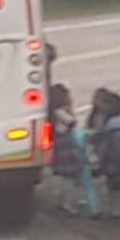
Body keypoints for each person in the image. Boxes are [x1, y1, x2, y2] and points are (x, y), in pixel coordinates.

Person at [93, 90, 120, 219]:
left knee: (117, 186)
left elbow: (114, 144)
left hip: (115, 159)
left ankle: (119, 211)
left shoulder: (113, 124)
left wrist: (104, 158)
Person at [49, 84, 83, 215]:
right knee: (70, 177)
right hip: (65, 145)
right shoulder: (61, 112)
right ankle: (68, 205)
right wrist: (70, 109)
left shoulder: (52, 113)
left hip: (60, 145)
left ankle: (63, 202)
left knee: (66, 177)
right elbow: (72, 122)